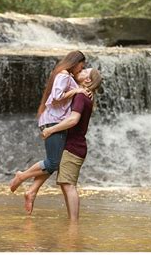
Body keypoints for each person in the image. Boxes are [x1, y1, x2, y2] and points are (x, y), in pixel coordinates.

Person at [9, 50, 91, 214]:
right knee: (53, 162)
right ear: (75, 62)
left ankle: (31, 191)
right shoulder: (64, 74)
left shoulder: (67, 76)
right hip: (53, 121)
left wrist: (81, 89)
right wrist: (77, 91)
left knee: (54, 162)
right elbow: (56, 96)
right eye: (81, 66)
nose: (82, 69)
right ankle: (22, 176)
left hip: (56, 121)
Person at [41, 68, 102, 221]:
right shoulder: (82, 94)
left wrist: (51, 130)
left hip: (74, 146)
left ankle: (74, 225)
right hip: (75, 145)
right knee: (66, 185)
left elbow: (73, 120)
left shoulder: (81, 97)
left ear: (87, 80)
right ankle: (72, 223)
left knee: (69, 185)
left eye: (84, 71)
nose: (80, 71)